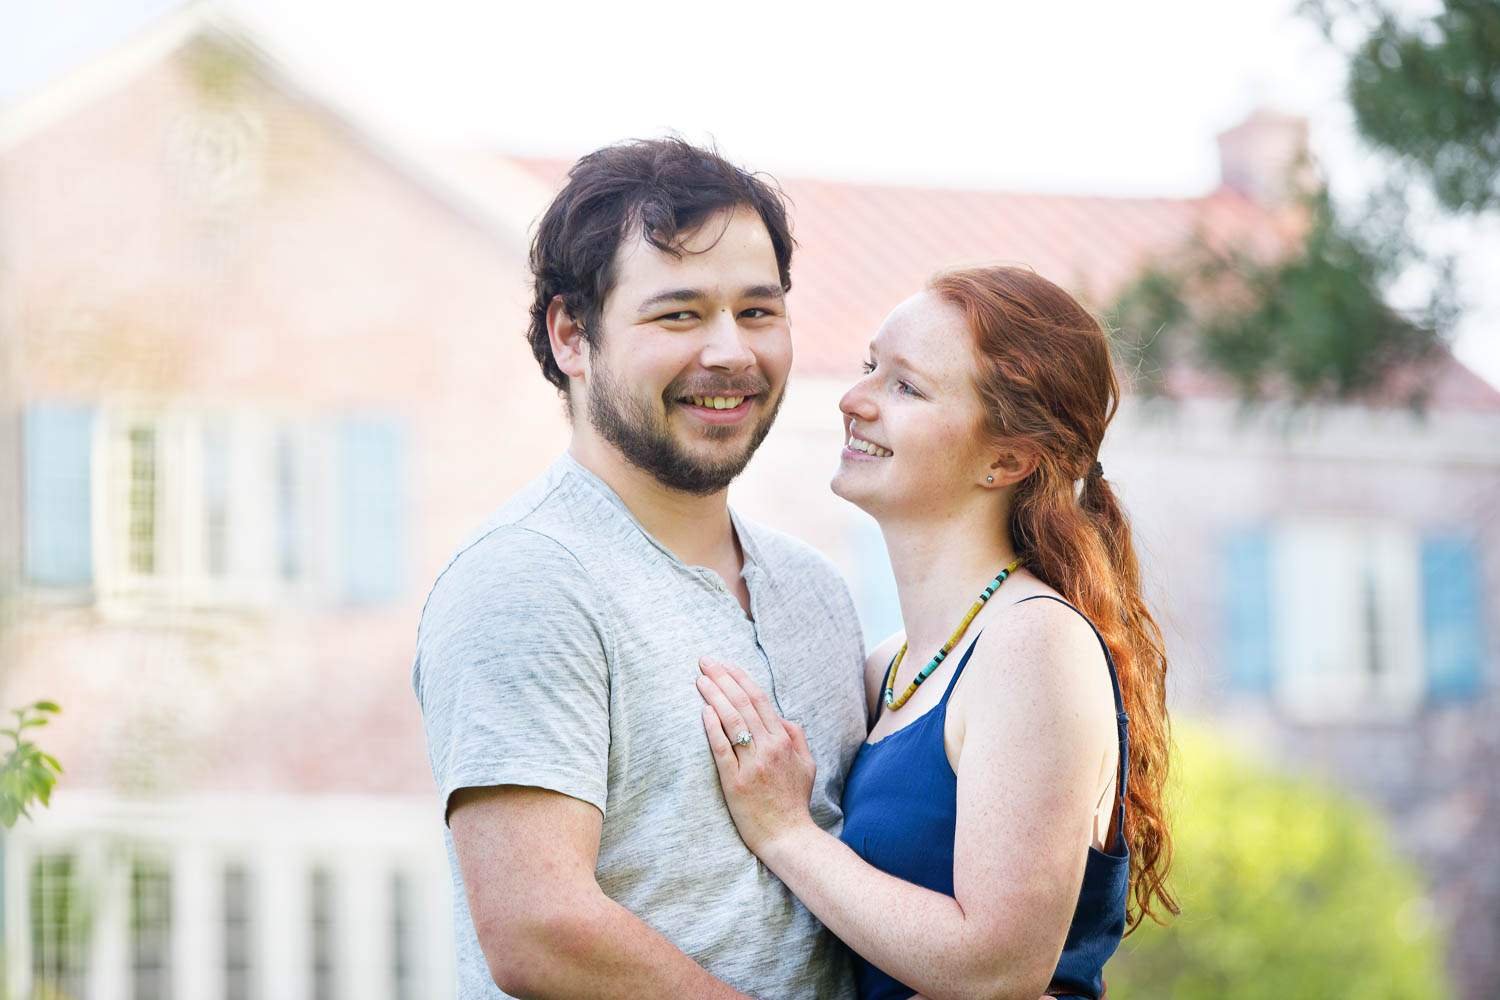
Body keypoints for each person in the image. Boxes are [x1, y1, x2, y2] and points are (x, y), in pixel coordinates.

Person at [411, 138, 870, 999]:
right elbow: (538, 930)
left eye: (759, 312)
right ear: (572, 335)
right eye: (680, 315)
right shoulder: (529, 580)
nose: (732, 352)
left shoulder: (816, 592)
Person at [698, 265, 1178, 1000]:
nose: (854, 401)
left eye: (906, 387)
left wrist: (786, 834)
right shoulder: (886, 667)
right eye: (870, 369)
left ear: (1006, 460)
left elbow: (997, 968)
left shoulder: (1033, 644)